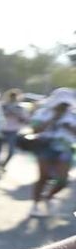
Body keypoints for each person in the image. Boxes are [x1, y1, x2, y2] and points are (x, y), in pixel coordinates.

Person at [28, 89, 76, 218]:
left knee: (63, 180)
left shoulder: (73, 115)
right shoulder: (44, 112)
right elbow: (35, 129)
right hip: (45, 146)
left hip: (65, 148)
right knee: (44, 177)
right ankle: (35, 204)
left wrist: (69, 127)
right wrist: (53, 119)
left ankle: (48, 196)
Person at [0, 88, 30, 174]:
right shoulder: (2, 106)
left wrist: (18, 115)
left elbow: (26, 120)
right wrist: (5, 113)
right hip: (1, 130)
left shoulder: (20, 108)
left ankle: (3, 165)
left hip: (13, 131)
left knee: (11, 151)